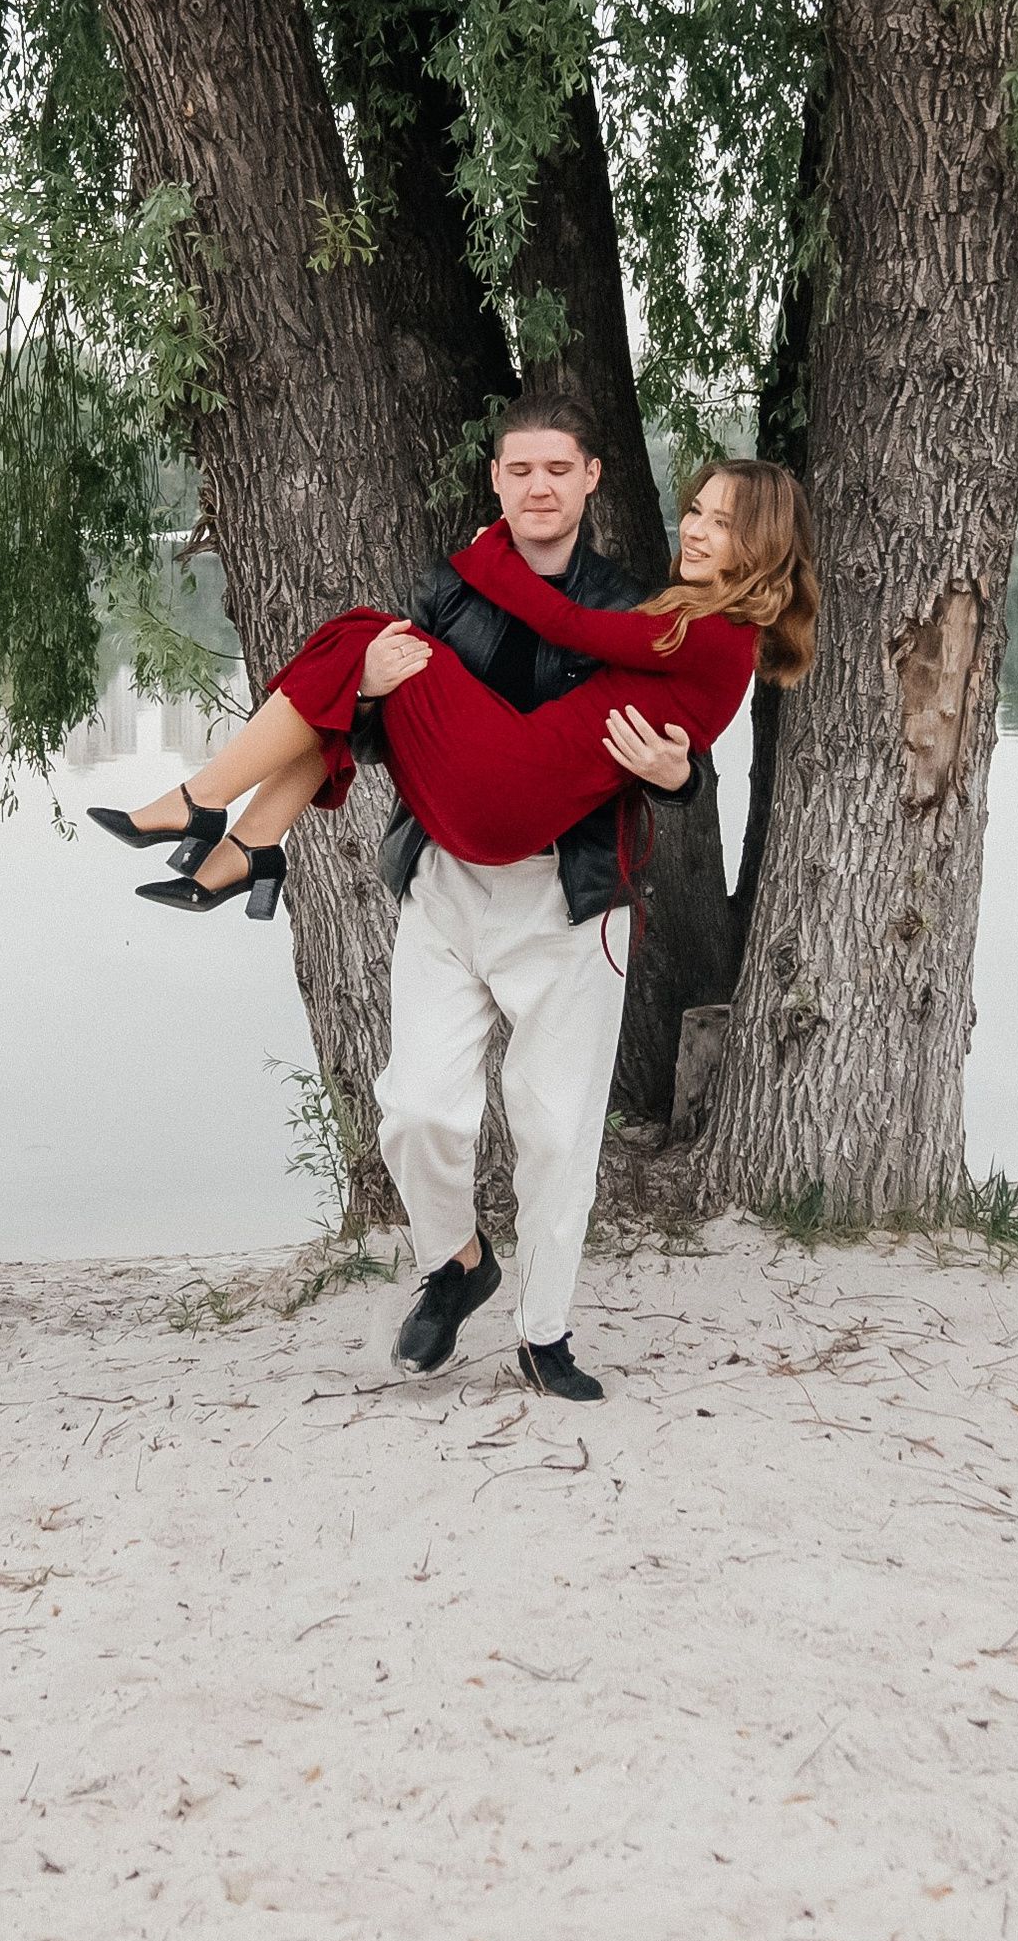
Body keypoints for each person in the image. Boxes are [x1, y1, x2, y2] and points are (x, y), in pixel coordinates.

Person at [93, 410, 818, 1400]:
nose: (537, 487)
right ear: (495, 477)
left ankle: (543, 1334)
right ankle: (456, 1263)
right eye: (518, 470)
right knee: (417, 1108)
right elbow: (384, 729)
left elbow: (643, 705)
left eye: (557, 468)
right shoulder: (486, 595)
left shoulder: (646, 607)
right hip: (456, 857)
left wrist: (682, 773)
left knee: (558, 1132)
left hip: (565, 891)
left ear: (591, 478)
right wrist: (377, 682)